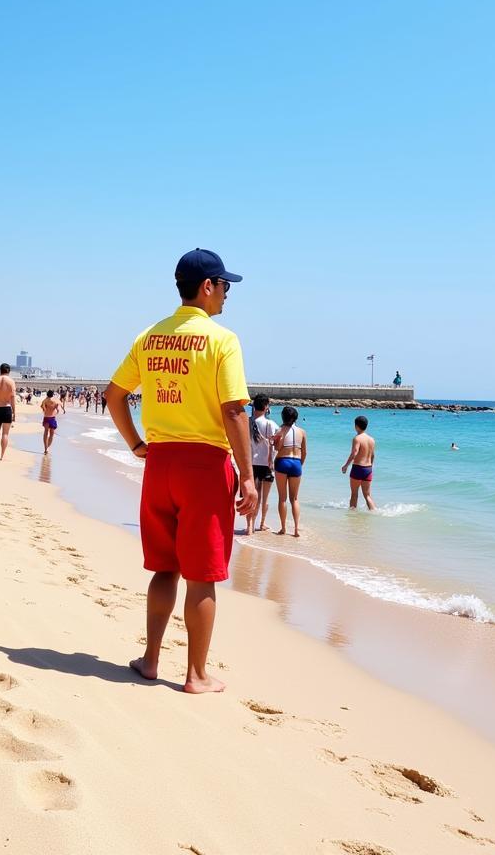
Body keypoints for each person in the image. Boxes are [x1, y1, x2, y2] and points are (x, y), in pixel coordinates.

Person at [105, 247, 255, 695]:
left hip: (160, 464)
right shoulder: (222, 339)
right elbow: (233, 410)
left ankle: (150, 659)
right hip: (204, 466)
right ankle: (196, 674)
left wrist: (135, 444)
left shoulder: (149, 336)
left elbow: (114, 396)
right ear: (207, 287)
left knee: (165, 568)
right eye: (224, 286)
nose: (227, 295)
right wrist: (247, 475)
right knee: (203, 574)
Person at [273, 405, 307, 536]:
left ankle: (283, 528)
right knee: (295, 499)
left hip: (282, 462)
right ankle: (296, 528)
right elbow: (305, 452)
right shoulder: (302, 432)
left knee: (282, 498)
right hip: (296, 463)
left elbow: (277, 449)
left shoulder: (279, 430)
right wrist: (300, 465)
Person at [248, 395, 277, 533]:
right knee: (264, 497)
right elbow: (275, 443)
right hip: (266, 463)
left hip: (250, 463)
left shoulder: (248, 422)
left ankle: (249, 526)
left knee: (252, 496)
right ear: (266, 407)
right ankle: (262, 523)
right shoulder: (270, 424)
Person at [342, 415, 376, 510]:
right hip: (368, 469)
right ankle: (375, 513)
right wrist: (370, 468)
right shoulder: (372, 440)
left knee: (354, 494)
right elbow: (373, 455)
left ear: (356, 426)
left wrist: (346, 466)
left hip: (358, 468)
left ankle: (352, 518)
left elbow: (354, 453)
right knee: (367, 495)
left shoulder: (357, 438)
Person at [40, 390, 63, 454]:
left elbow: (43, 408)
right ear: (53, 395)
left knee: (46, 432)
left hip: (46, 417)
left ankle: (45, 448)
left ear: (47, 394)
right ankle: (48, 447)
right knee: (51, 434)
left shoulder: (45, 401)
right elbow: (58, 410)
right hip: (52, 418)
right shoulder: (55, 401)